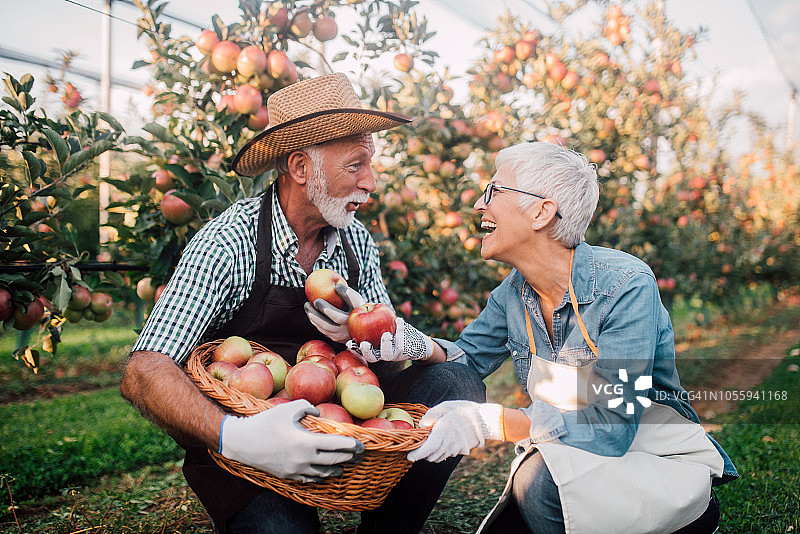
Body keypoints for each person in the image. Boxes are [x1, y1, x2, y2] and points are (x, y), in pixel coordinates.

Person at [120, 72, 485, 534]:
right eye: (355, 165)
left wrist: (383, 345)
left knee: (457, 382)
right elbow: (143, 370)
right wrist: (239, 438)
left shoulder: (355, 243)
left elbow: (384, 365)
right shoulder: (229, 242)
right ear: (299, 169)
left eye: (369, 164)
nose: (371, 183)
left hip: (343, 416)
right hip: (251, 441)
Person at [352, 142, 738, 533]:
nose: (479, 206)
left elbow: (614, 426)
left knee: (535, 482)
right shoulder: (513, 293)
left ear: (541, 211)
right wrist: (414, 343)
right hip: (570, 462)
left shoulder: (626, 285)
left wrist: (493, 423)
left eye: (495, 191)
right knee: (529, 495)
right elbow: (466, 363)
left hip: (649, 464)